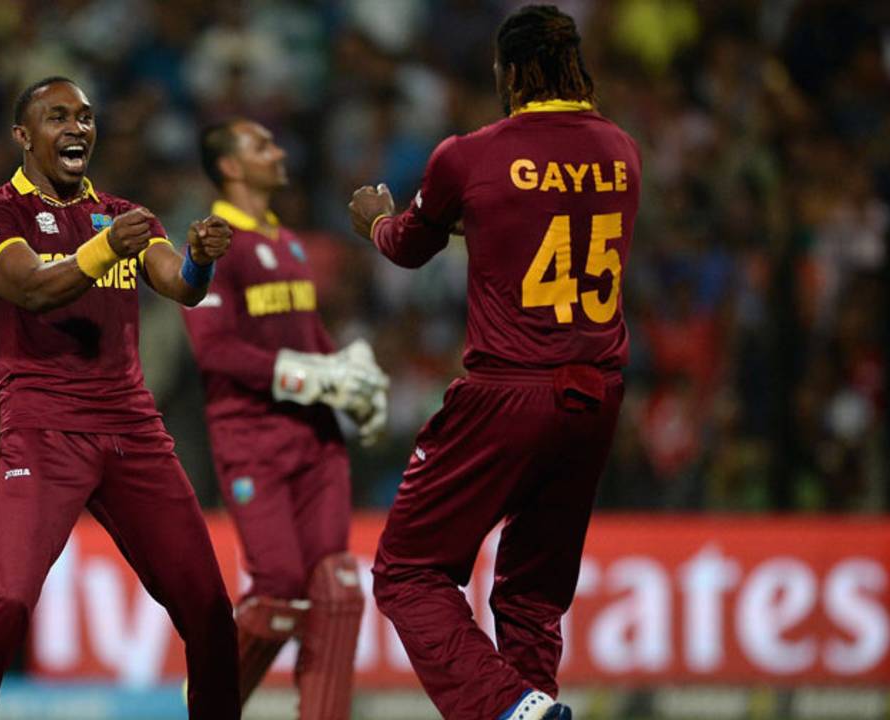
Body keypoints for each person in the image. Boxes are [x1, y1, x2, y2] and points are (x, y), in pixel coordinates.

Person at [347, 6, 641, 720]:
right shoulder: (623, 151)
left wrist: (374, 221)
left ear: (511, 74)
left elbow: (409, 247)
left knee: (408, 571)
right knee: (533, 590)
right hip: (597, 393)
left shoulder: (469, 155)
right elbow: (543, 213)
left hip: (509, 389)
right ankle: (536, 706)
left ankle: (508, 707)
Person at [0, 76, 240, 720]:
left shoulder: (126, 215)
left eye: (85, 117)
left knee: (210, 610)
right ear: (23, 135)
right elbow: (34, 289)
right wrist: (105, 247)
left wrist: (201, 259)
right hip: (44, 432)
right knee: (9, 600)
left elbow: (180, 286)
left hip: (133, 431)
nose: (77, 127)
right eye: (57, 117)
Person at [182, 118, 387, 719]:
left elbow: (309, 335)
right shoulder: (214, 242)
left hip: (317, 441)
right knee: (277, 594)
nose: (278, 151)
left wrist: (348, 374)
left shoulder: (289, 243)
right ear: (229, 167)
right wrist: (309, 375)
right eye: (261, 146)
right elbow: (215, 350)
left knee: (338, 590)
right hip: (252, 438)